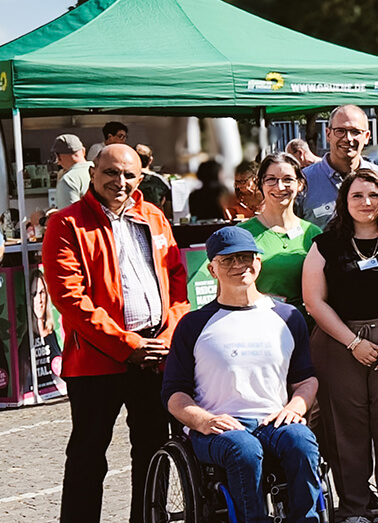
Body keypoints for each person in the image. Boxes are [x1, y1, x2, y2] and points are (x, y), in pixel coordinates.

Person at [46, 145, 189, 523]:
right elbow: (69, 298)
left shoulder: (154, 217)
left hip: (154, 356)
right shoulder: (66, 223)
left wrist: (169, 335)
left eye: (128, 175)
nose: (119, 182)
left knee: (152, 452)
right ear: (93, 173)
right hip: (97, 362)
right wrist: (128, 346)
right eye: (111, 173)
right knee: (87, 457)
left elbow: (177, 283)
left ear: (140, 177)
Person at [161, 226, 321, 523]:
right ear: (211, 269)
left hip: (273, 421)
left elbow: (306, 379)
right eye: (228, 260)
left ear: (259, 263)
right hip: (219, 428)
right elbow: (174, 394)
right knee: (243, 449)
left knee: (302, 440)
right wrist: (204, 420)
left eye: (247, 257)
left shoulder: (288, 316)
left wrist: (295, 407)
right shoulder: (193, 325)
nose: (239, 265)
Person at [302, 171, 378, 523]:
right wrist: (353, 342)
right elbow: (314, 301)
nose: (366, 202)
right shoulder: (326, 244)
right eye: (357, 196)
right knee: (346, 428)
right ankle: (355, 507)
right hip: (340, 342)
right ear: (344, 201)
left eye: (374, 195)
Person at [238, 155, 321, 311]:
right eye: (271, 179)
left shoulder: (313, 233)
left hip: (306, 326)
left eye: (288, 179)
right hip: (259, 323)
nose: (280, 187)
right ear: (260, 184)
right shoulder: (242, 234)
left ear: (300, 185)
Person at [302, 105, 378, 228]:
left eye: (355, 132)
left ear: (366, 137)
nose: (348, 138)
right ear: (328, 134)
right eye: (340, 131)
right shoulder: (304, 180)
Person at [50, 134, 93, 212]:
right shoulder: (101, 170)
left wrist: (41, 219)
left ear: (58, 157)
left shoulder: (68, 180)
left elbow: (70, 218)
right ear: (83, 151)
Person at [133, 144, 173, 215]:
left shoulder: (128, 180)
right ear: (150, 160)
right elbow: (168, 207)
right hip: (154, 217)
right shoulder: (161, 181)